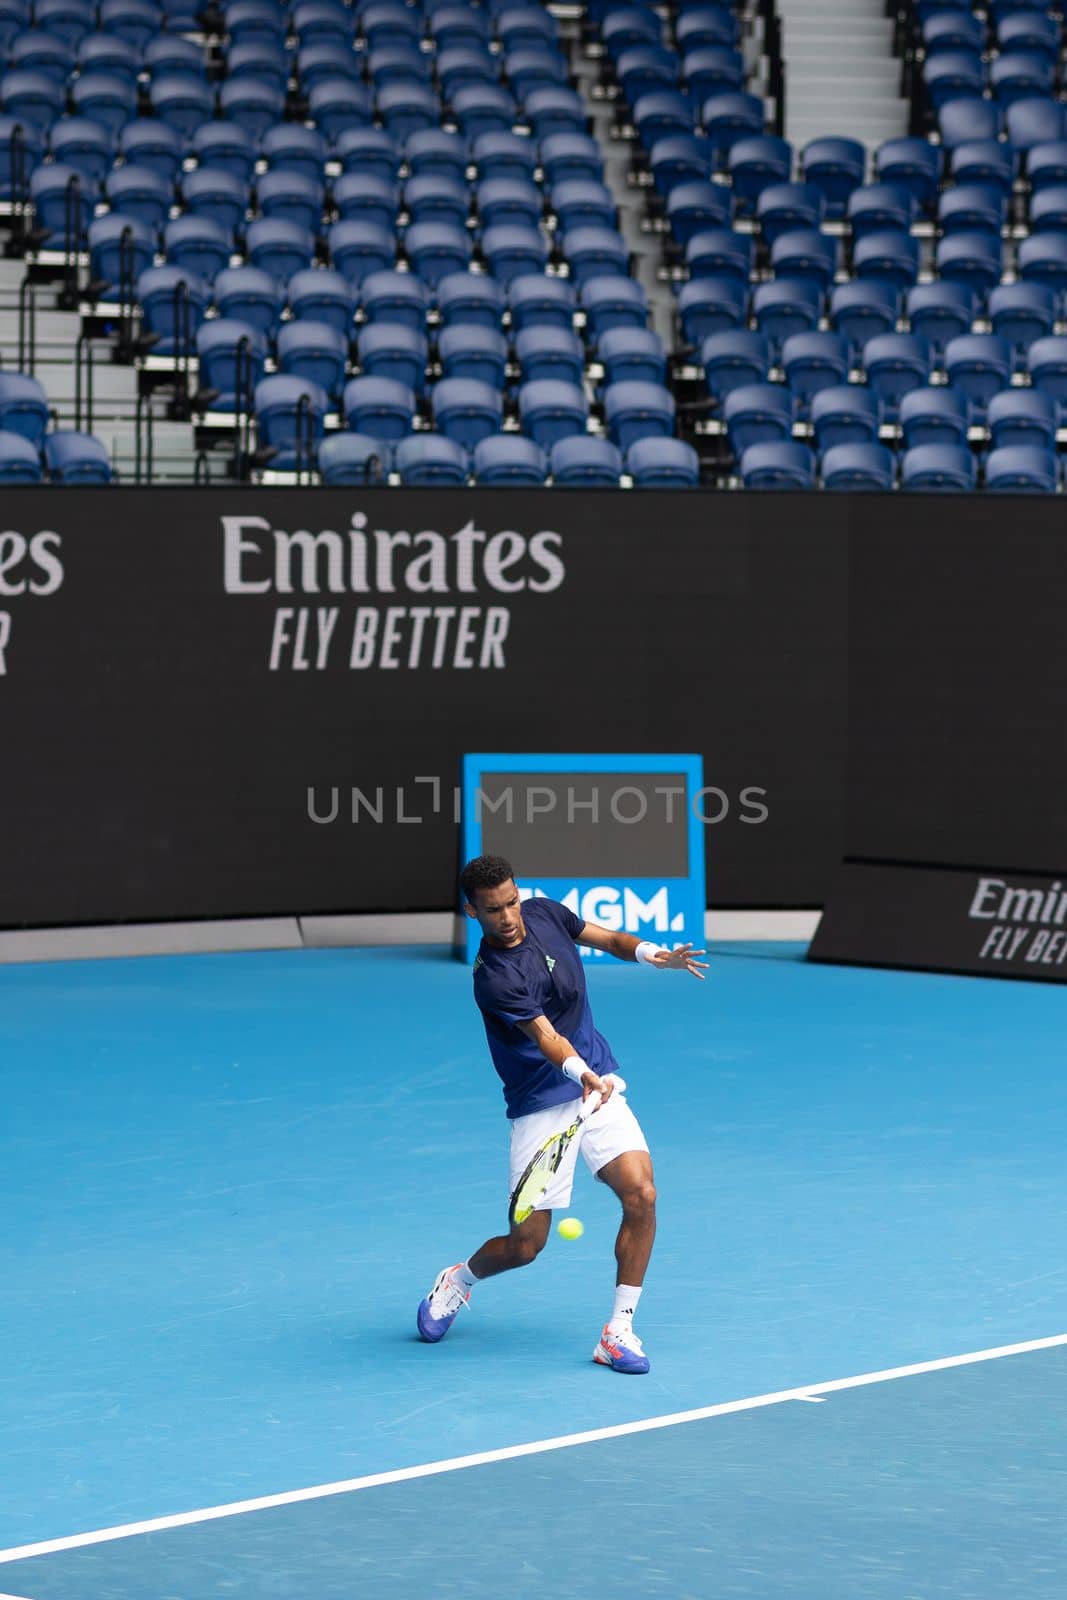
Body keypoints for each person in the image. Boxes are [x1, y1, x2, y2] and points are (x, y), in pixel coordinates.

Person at [416, 854, 706, 1374]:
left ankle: (618, 1331)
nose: (507, 917)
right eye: (493, 910)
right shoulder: (493, 977)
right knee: (525, 1246)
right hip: (542, 1104)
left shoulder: (546, 913)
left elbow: (611, 940)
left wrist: (654, 954)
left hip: (596, 1086)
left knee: (642, 1194)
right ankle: (459, 1280)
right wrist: (580, 1073)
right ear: (471, 912)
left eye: (511, 902)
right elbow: (546, 1036)